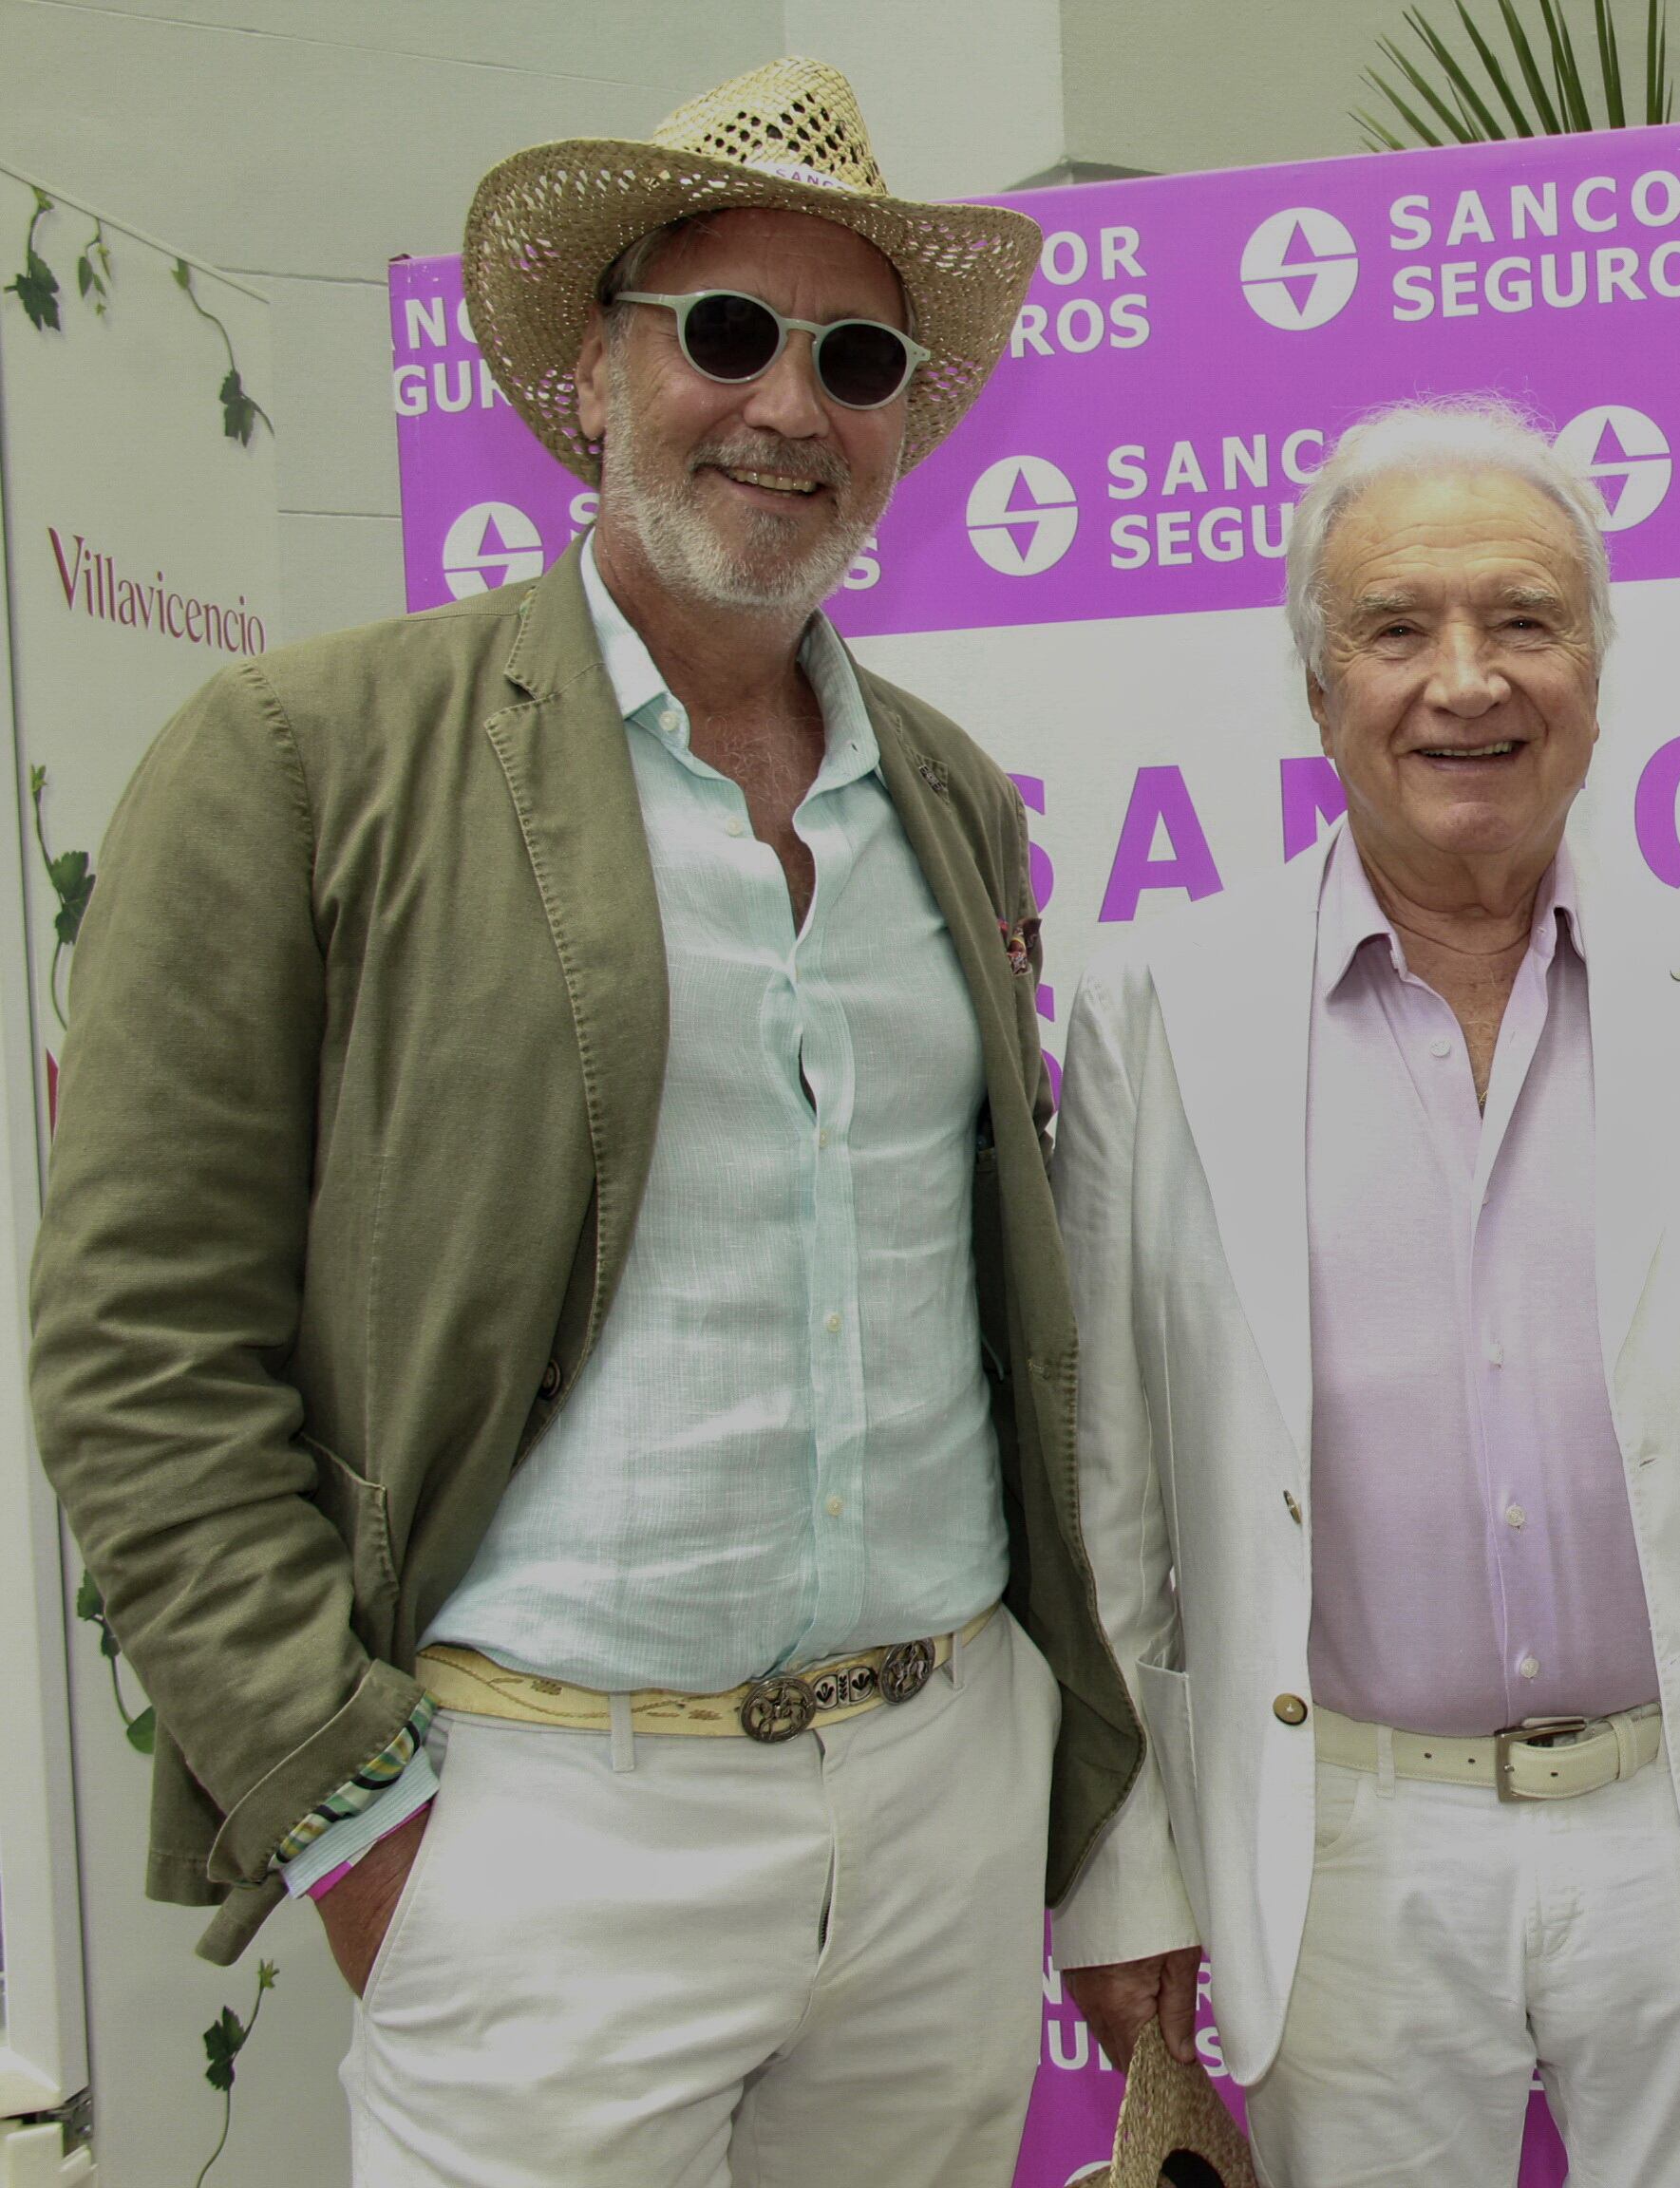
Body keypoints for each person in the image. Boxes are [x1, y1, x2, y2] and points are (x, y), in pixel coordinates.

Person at [26, 60, 1138, 2187]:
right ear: (592, 367)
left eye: (857, 357)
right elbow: (135, 1351)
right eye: (725, 331)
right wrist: (365, 1823)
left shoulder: (952, 792)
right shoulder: (298, 757)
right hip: (543, 1827)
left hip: (938, 1803)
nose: (786, 407)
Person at [1048, 398, 1680, 2188]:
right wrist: (1125, 1871)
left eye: (1524, 622)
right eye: (1398, 630)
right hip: (1346, 1843)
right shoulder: (1165, 1009)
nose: (1468, 680)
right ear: (1320, 696)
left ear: (1599, 681)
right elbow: (1110, 1500)